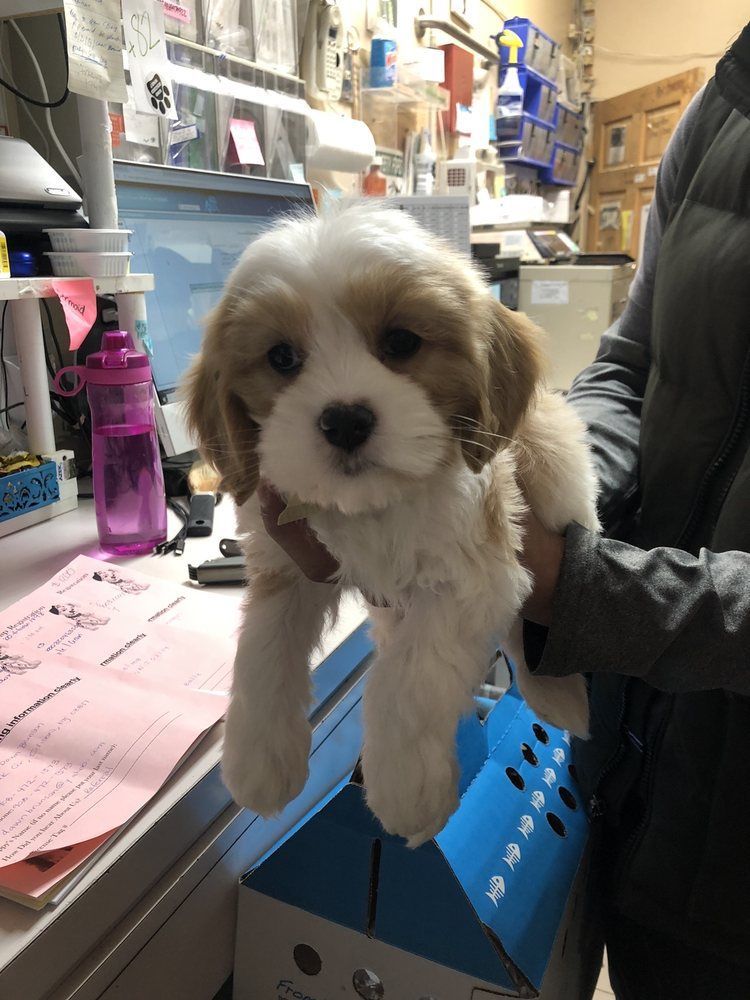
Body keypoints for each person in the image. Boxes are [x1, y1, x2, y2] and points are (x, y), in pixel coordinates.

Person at [253, 26, 750, 999]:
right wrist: (518, 488)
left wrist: (573, 580)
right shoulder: (728, 100)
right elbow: (632, 366)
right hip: (637, 765)